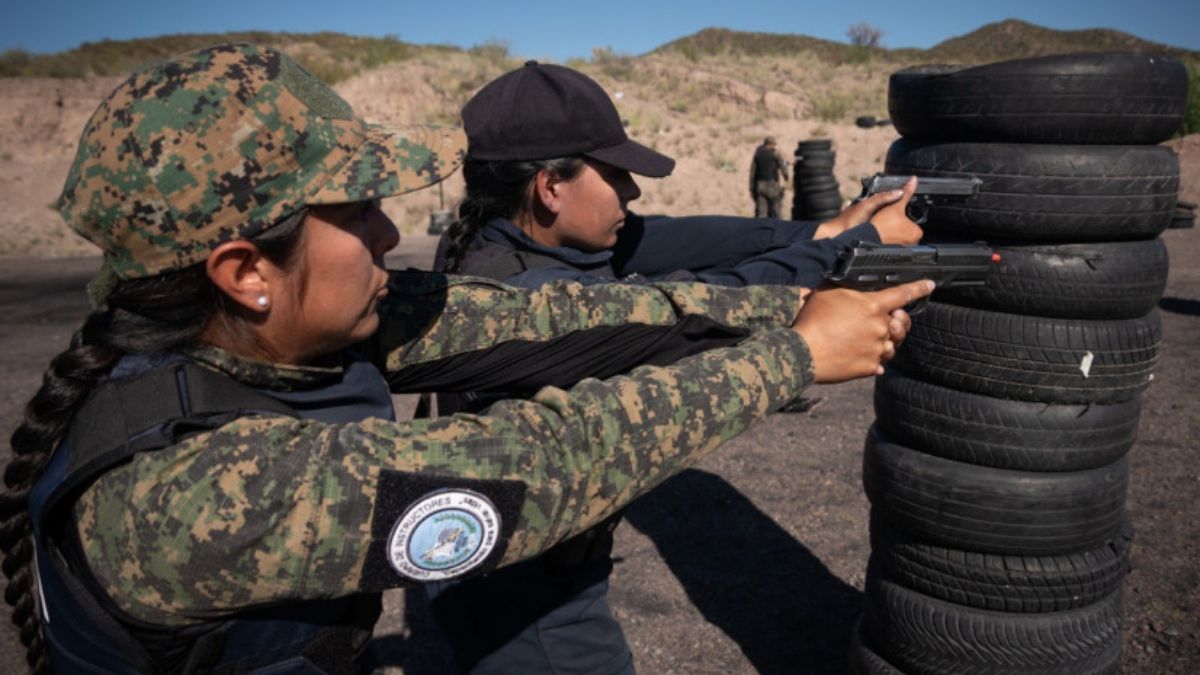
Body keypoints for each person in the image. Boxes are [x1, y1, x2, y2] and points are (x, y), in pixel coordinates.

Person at [0, 44, 930, 675]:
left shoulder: (260, 335)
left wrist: (791, 307)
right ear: (246, 272)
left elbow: (563, 317)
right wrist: (791, 358)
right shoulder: (187, 494)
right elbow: (543, 461)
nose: (390, 231)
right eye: (356, 212)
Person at [426, 62, 924, 675]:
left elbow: (679, 238)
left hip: (492, 569)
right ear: (551, 187)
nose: (632, 192)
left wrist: (825, 228)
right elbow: (694, 302)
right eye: (615, 175)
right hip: (530, 603)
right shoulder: (532, 299)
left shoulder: (489, 239)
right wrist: (846, 248)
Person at [750, 135, 789, 218]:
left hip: (760, 186)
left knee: (761, 214)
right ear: (771, 144)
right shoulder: (775, 153)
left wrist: (751, 188)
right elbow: (783, 166)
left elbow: (752, 173)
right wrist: (786, 177)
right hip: (772, 186)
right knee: (777, 212)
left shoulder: (758, 154)